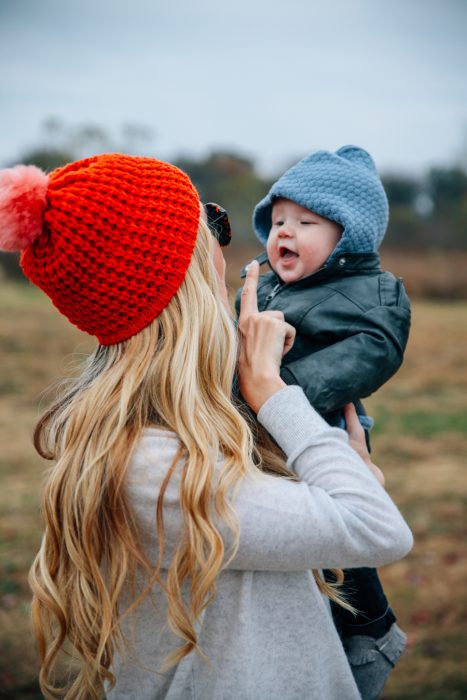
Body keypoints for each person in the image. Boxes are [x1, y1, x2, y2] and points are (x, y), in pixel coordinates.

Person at [0, 153, 413, 700]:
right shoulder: (155, 468)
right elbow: (376, 528)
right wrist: (274, 394)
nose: (225, 248)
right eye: (211, 226)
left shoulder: (193, 422)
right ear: (186, 277)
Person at [236, 145, 412, 699]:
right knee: (292, 541)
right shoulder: (269, 285)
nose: (284, 231)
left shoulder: (376, 294)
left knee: (338, 538)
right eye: (278, 220)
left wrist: (273, 394)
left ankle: (366, 633)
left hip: (319, 427)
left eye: (306, 222)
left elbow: (373, 352)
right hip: (264, 422)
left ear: (349, 236)